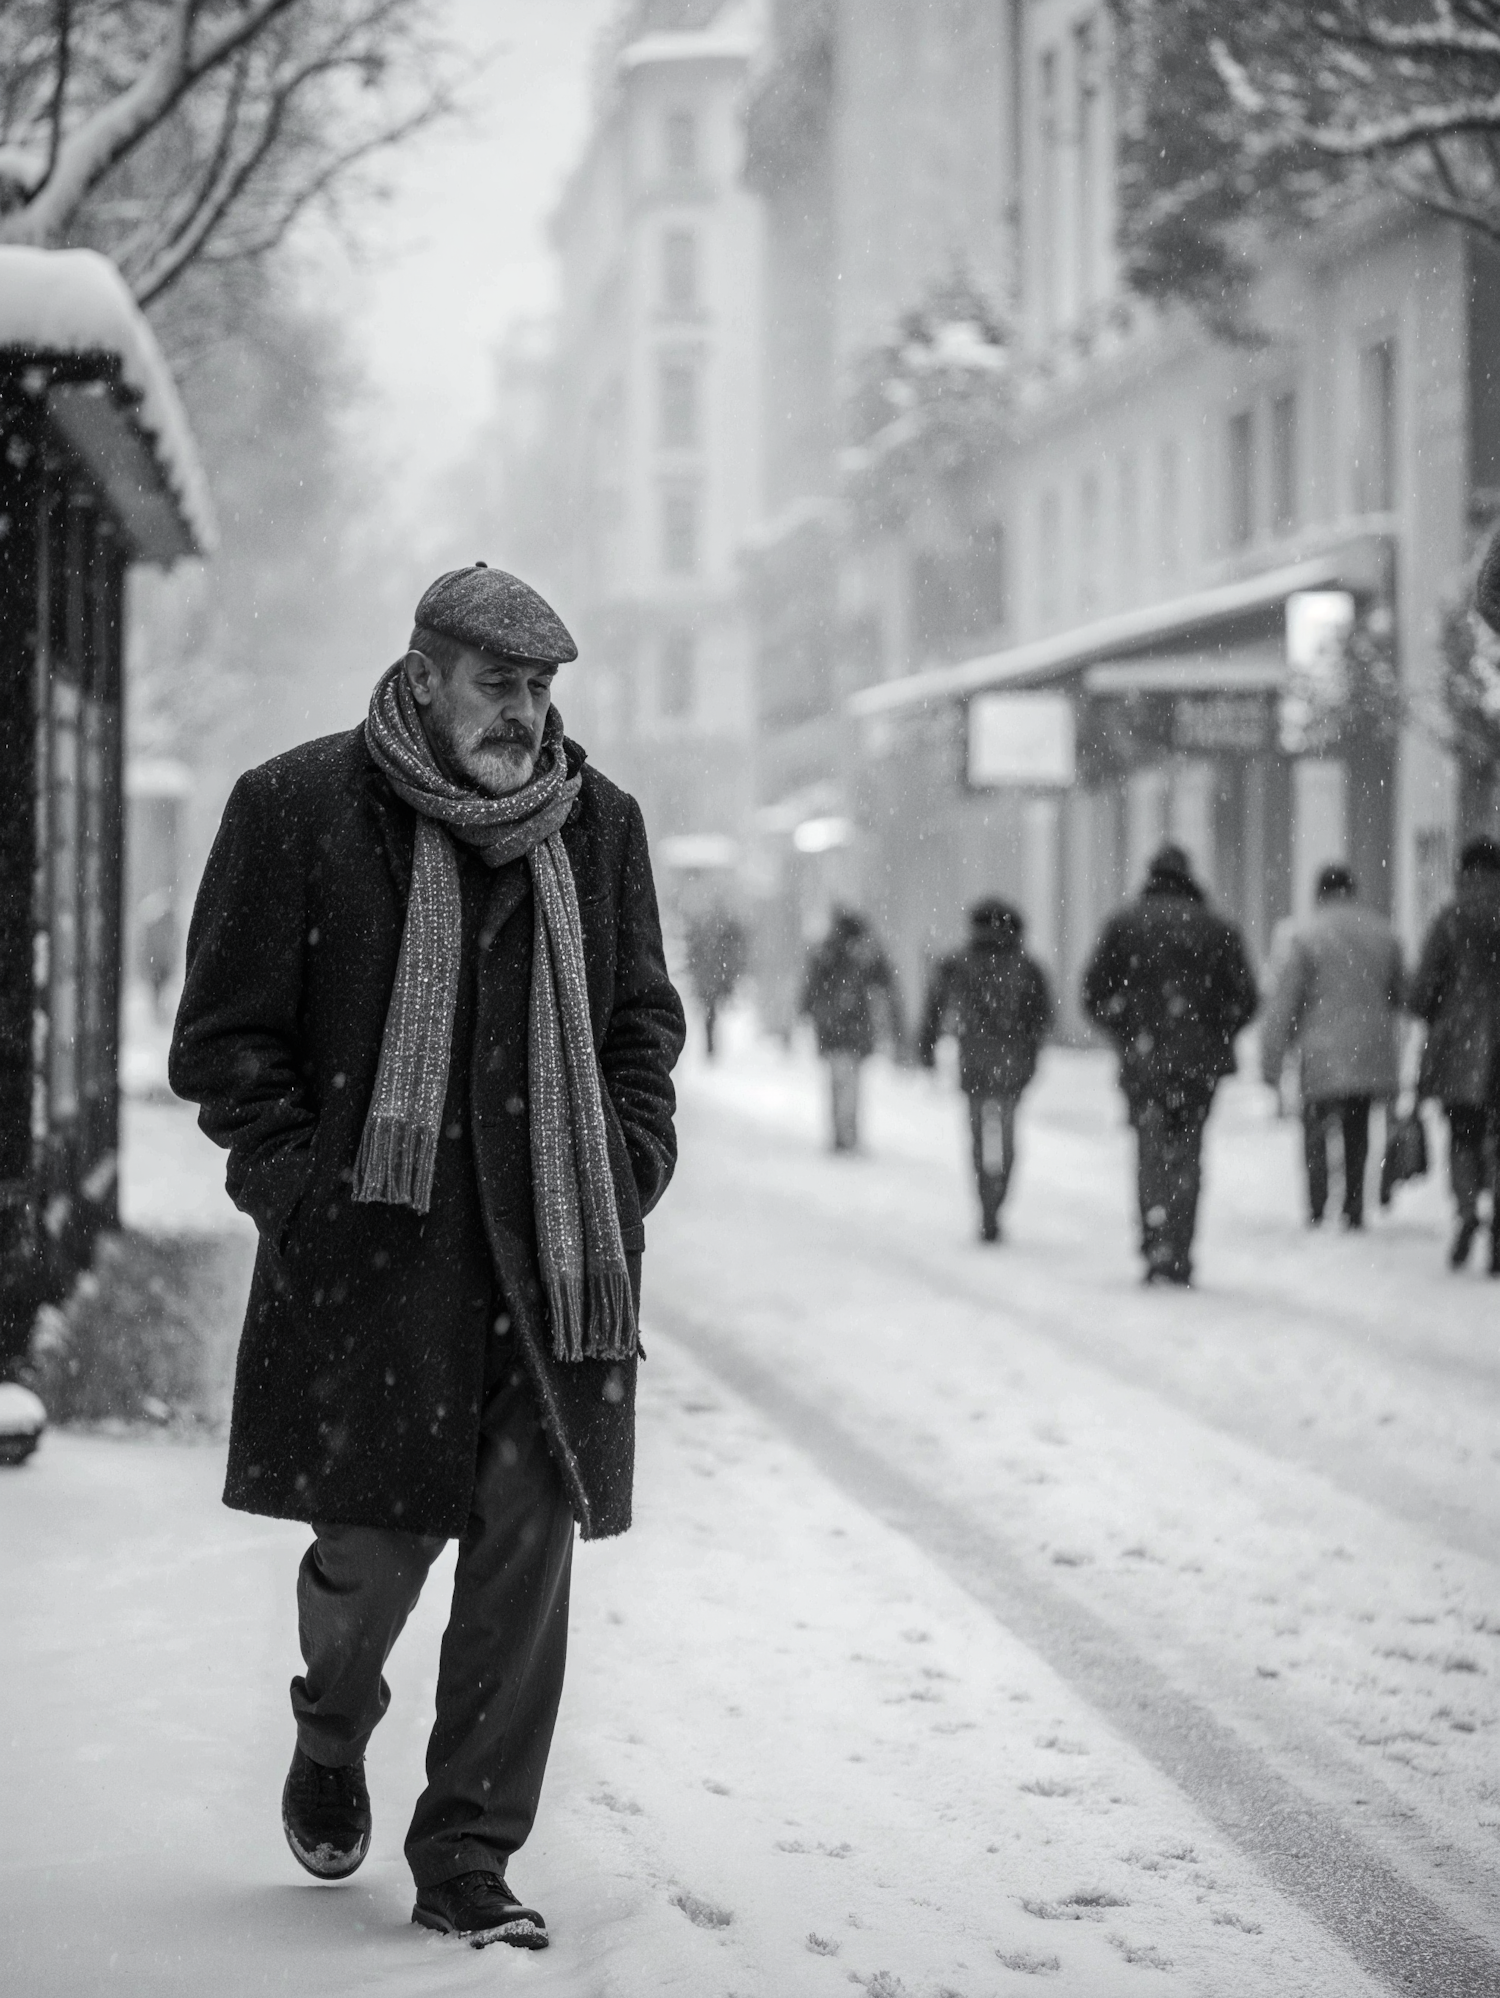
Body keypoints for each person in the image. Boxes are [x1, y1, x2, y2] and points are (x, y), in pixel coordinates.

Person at [169, 564, 685, 1950]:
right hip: (373, 1267)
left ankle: (467, 1851)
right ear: (424, 674)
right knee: (373, 1554)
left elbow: (644, 1021)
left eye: (541, 689)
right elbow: (225, 1042)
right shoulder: (297, 810)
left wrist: (626, 1165)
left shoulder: (599, 828)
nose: (523, 714)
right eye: (497, 685)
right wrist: (304, 1196)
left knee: (528, 1543)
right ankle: (332, 1722)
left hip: (552, 1267)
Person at [1082, 843, 1258, 1286]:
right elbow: (1246, 998)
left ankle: (1155, 1236)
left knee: (1149, 1146)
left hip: (1145, 1058)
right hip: (1199, 1063)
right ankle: (1180, 1243)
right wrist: (1217, 1033)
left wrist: (1124, 1028)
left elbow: (1092, 992)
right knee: (1188, 1150)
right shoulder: (1218, 929)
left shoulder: (1125, 925)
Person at [1259, 863, 1404, 1231]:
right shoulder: (1384, 934)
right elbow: (1404, 994)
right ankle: (1353, 1207)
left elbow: (1286, 1002)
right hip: (1369, 1051)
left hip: (1321, 1052)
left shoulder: (1307, 938)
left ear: (1319, 894)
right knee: (1357, 1131)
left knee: (1316, 1130)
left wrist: (1272, 1058)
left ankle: (1317, 1205)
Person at [917, 898, 1053, 1242]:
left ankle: (986, 1204)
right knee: (1006, 1136)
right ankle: (998, 1198)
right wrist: (1031, 1052)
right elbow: (1043, 1017)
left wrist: (927, 1048)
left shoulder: (961, 962)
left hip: (975, 1062)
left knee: (979, 1138)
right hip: (1012, 1064)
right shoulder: (1026, 966)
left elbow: (935, 1007)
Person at [1407, 834, 1500, 1272]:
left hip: (1460, 1047)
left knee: (1463, 1132)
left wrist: (1436, 1008)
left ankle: (1466, 1210)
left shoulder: (1450, 917)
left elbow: (1422, 992)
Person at [798, 906, 900, 1152]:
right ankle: (848, 1133)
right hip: (854, 1029)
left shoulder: (826, 951)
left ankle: (840, 1132)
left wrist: (807, 1011)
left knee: (837, 1081)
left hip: (831, 1027)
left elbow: (811, 987)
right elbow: (885, 981)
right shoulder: (863, 953)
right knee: (851, 1082)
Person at [684, 903, 748, 1058]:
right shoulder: (713, 936)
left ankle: (710, 1048)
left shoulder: (713, 935)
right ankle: (710, 1047)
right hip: (710, 981)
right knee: (710, 1015)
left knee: (711, 1014)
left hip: (712, 981)